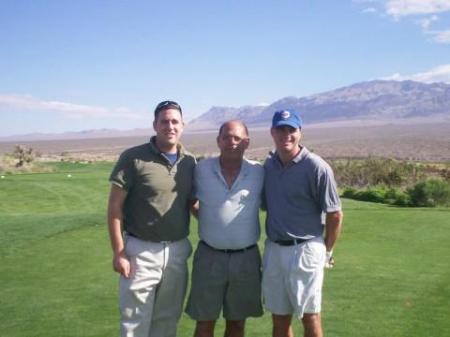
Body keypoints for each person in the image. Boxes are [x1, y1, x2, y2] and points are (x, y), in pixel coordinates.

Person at [107, 100, 196, 337]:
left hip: (177, 251)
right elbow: (114, 208)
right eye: (164, 121)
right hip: (140, 252)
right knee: (134, 322)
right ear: (155, 125)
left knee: (167, 321)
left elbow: (192, 204)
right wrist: (119, 252)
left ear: (183, 126)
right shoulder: (134, 157)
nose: (170, 126)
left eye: (175, 121)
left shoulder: (190, 161)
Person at [262, 110, 343, 337]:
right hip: (274, 249)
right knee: (279, 318)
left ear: (300, 133)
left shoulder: (317, 167)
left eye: (291, 129)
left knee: (310, 316)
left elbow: (335, 214)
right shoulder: (268, 166)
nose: (286, 135)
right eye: (281, 129)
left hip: (306, 249)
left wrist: (327, 250)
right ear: (272, 132)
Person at [185, 120, 264, 337]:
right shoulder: (201, 169)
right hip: (209, 256)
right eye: (227, 137)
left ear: (246, 142)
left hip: (246, 259)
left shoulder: (259, 172)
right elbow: (190, 199)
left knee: (237, 324)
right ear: (218, 141)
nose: (232, 142)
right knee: (204, 322)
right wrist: (209, 220)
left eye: (237, 138)